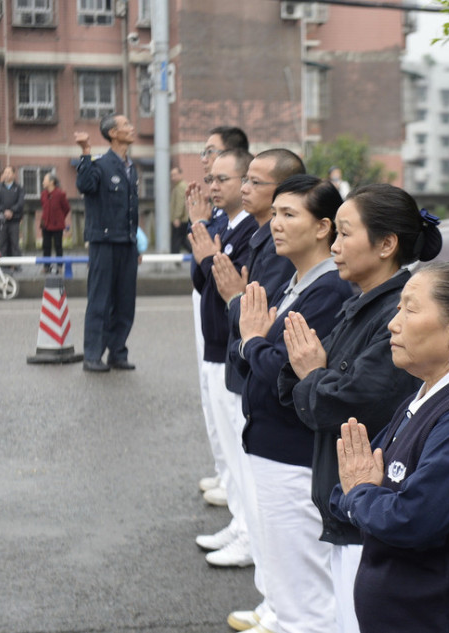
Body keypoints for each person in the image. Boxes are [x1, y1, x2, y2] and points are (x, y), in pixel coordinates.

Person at [277, 184, 443, 633]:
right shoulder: (360, 305)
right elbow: (294, 378)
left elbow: (337, 401)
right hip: (346, 504)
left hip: (368, 510)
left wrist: (314, 375)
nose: (333, 246)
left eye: (345, 234)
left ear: (387, 244)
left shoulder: (393, 312)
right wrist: (313, 376)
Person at [330, 262, 449, 633]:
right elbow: (342, 491)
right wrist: (363, 496)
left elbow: (413, 518)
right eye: (397, 308)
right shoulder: (421, 396)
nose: (393, 323)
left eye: (410, 309)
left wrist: (362, 496)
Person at [230, 175, 353, 633]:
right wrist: (254, 346)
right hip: (273, 447)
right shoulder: (300, 283)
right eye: (275, 213)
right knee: (286, 582)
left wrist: (251, 345)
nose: (275, 224)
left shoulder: (329, 291)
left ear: (324, 227)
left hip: (294, 453)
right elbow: (263, 353)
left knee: (305, 593)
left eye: (288, 215)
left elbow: (285, 370)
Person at [200, 149, 305, 631]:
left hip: (257, 376)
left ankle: (280, 608)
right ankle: (274, 603)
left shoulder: (291, 258)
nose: (242, 189)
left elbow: (263, 323)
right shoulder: (263, 238)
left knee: (280, 520)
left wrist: (236, 303)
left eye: (251, 182)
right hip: (240, 362)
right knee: (252, 490)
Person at [187, 149, 258, 568]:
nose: (213, 187)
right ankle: (239, 522)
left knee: (243, 452)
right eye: (210, 179)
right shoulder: (223, 225)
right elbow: (203, 281)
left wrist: (211, 259)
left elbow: (236, 287)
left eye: (223, 180)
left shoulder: (250, 231)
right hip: (217, 346)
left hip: (234, 350)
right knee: (230, 452)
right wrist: (206, 254)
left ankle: (250, 533)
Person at [74, 113, 139, 373]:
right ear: (113, 133)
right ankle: (92, 355)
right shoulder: (100, 165)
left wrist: (136, 243)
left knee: (125, 302)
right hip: (103, 242)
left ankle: (117, 352)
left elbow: (132, 209)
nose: (131, 128)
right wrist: (85, 151)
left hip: (127, 243)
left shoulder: (130, 167)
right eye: (126, 125)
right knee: (100, 300)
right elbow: (84, 184)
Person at [0, 165, 25, 257]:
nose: (7, 175)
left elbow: (20, 202)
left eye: (9, 172)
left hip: (15, 220)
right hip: (2, 220)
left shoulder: (18, 188)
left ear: (14, 174)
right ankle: (3, 265)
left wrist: (12, 211)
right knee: (2, 243)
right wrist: (4, 211)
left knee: (15, 243)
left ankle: (15, 264)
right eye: (5, 173)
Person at [39, 173, 71, 274]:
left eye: (45, 180)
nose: (43, 182)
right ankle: (46, 266)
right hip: (46, 224)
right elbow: (44, 207)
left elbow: (66, 208)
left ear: (52, 182)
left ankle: (60, 265)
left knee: (58, 245)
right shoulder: (43, 194)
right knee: (46, 245)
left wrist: (60, 218)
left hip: (57, 224)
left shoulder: (60, 194)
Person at [169, 166, 190, 254]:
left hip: (181, 219)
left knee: (177, 240)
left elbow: (180, 204)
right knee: (182, 240)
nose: (172, 177)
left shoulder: (181, 187)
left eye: (175, 175)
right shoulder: (179, 186)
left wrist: (177, 217)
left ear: (180, 174)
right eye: (171, 175)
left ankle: (175, 261)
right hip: (182, 219)